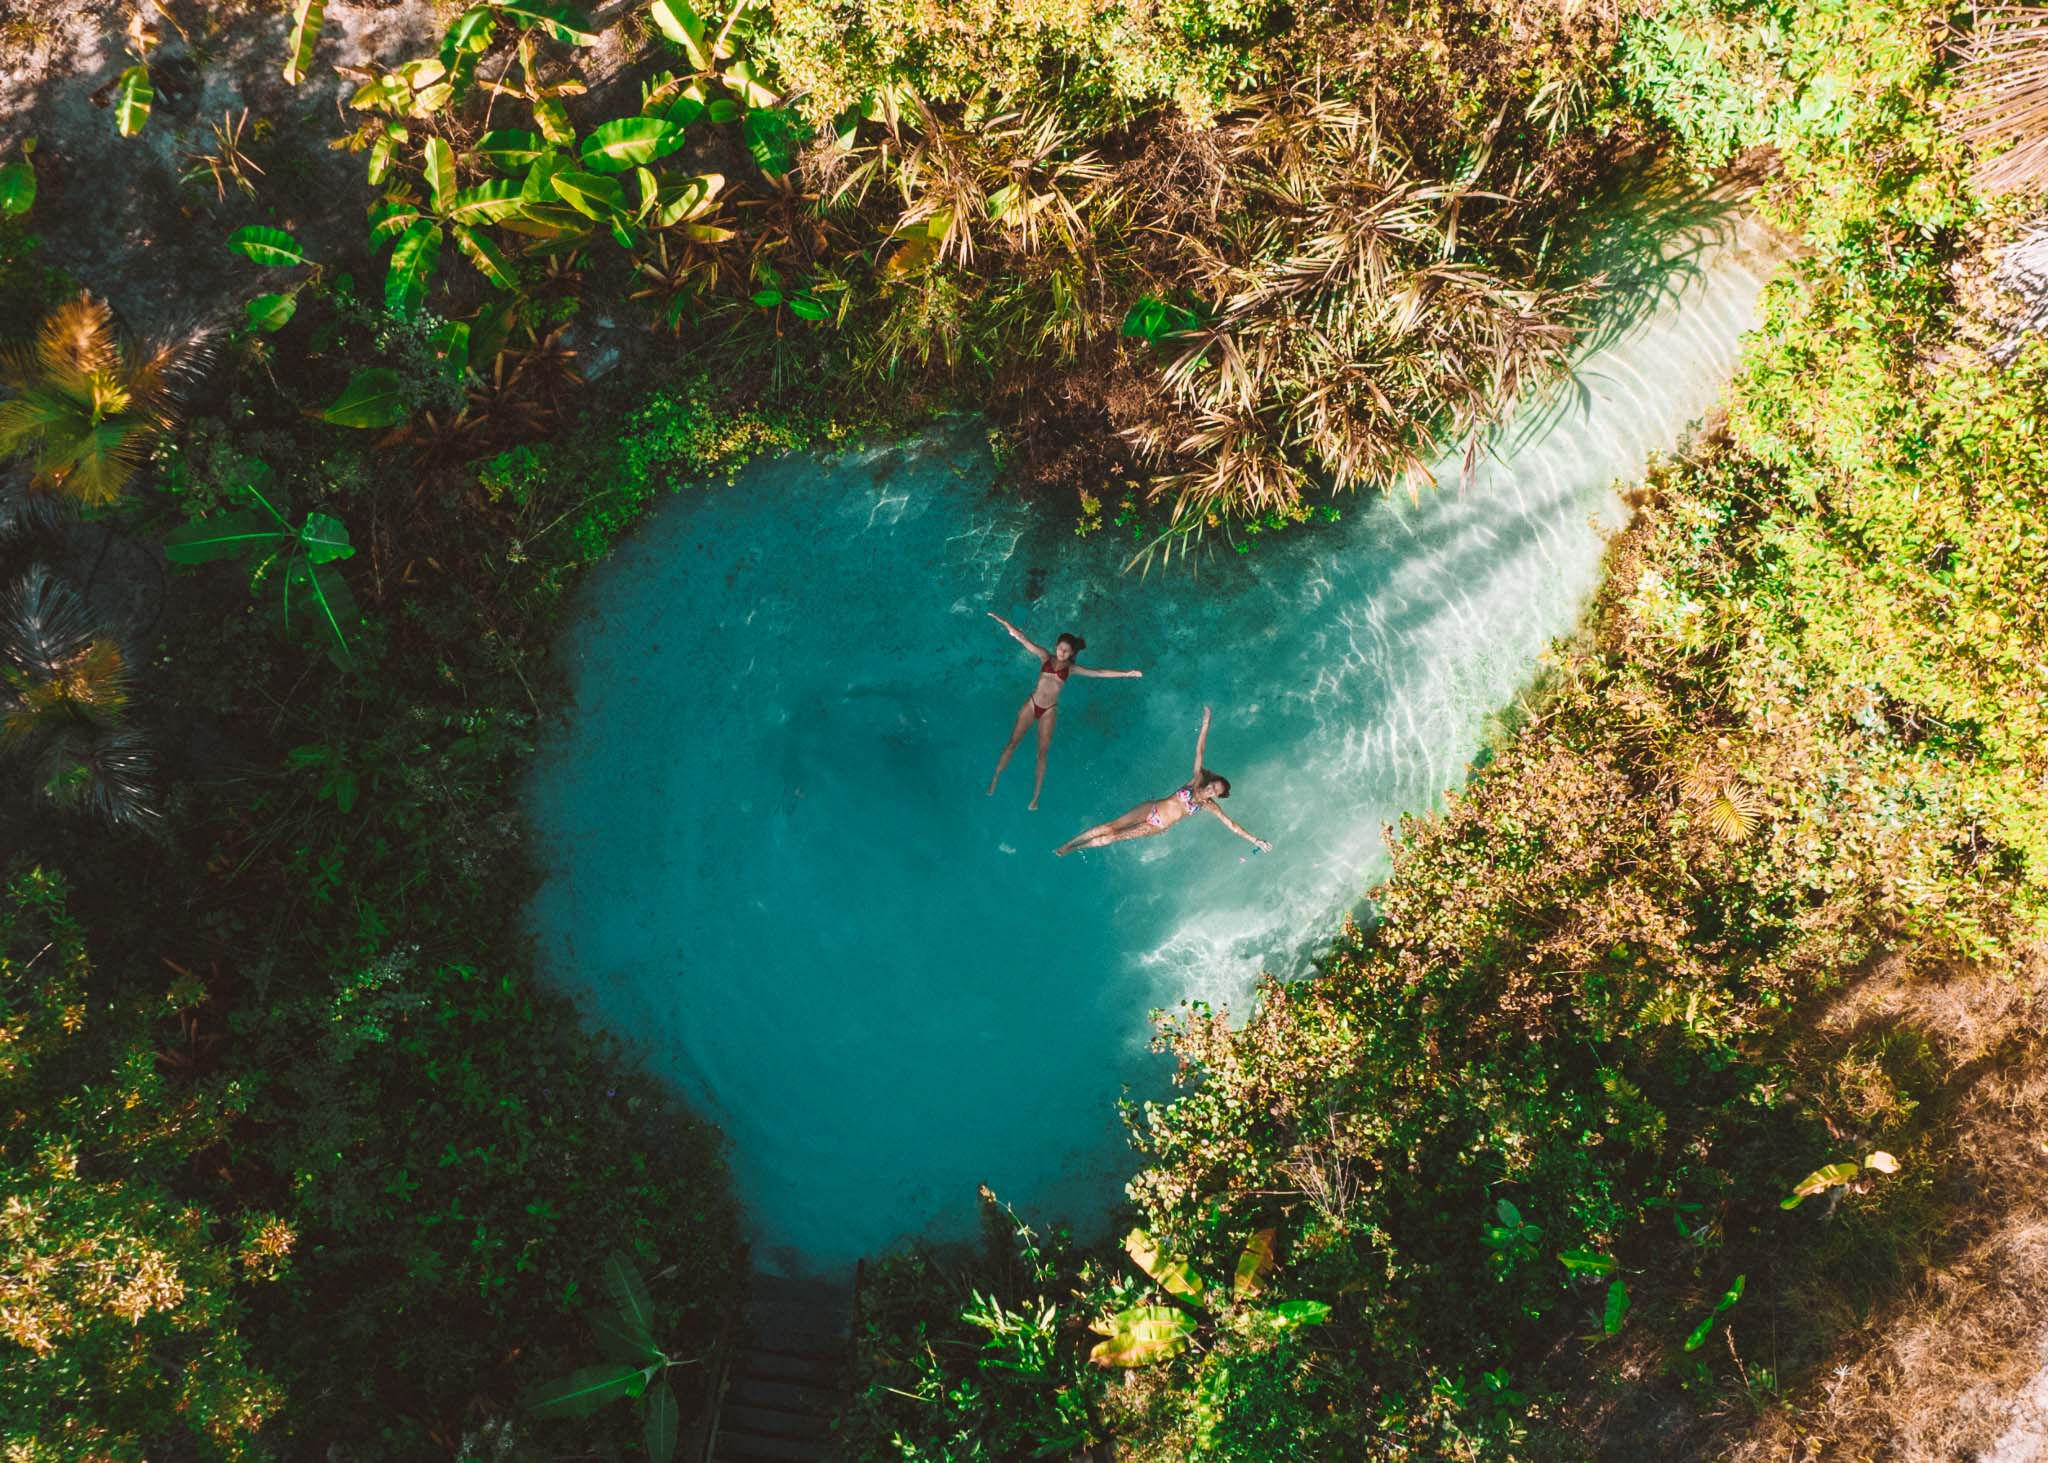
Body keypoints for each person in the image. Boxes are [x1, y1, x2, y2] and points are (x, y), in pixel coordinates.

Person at [1055, 706, 1272, 856]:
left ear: (1216, 795)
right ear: (1212, 781)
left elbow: (1231, 825)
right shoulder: (1196, 780)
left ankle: (1074, 850)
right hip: (1151, 808)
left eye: (1216, 791)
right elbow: (1200, 751)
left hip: (1157, 825)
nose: (1212, 789)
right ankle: (1069, 843)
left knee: (1113, 837)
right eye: (1214, 784)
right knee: (1110, 826)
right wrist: (1206, 724)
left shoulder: (1209, 807)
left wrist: (1255, 840)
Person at [985, 611, 1142, 810]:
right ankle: (995, 778)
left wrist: (1126, 674)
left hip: (1049, 710)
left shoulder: (1071, 669)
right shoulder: (1044, 657)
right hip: (1032, 704)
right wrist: (1004, 621)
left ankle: (1035, 797)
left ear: (1072, 654)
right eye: (1060, 648)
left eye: (1067, 651)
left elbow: (1099, 672)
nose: (1062, 653)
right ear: (1056, 646)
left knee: (1042, 753)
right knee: (1012, 743)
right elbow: (1023, 639)